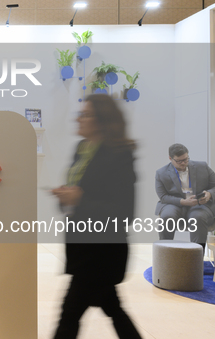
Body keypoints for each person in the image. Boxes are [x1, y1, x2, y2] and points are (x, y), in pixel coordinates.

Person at [51, 94, 141, 339]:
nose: (78, 118)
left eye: (86, 114)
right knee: (113, 309)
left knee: (69, 315)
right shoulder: (81, 150)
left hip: (101, 252)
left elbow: (124, 214)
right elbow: (78, 195)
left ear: (102, 121)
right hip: (83, 248)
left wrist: (80, 200)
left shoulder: (119, 156)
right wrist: (66, 198)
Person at [155, 143, 215, 250]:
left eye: (186, 159)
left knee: (197, 218)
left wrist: (209, 194)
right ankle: (165, 256)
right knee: (167, 217)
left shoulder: (202, 166)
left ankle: (197, 258)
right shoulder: (161, 173)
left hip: (200, 204)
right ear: (170, 158)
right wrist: (183, 202)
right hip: (175, 203)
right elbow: (163, 196)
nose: (183, 163)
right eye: (179, 161)